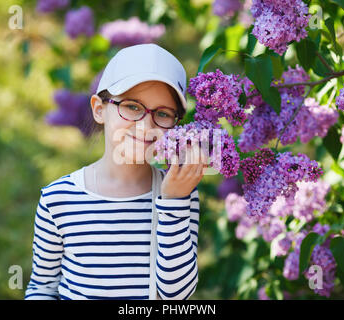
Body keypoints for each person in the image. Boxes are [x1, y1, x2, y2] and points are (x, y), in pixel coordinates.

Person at [24, 43, 208, 300]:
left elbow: (175, 296)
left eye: (163, 114)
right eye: (132, 107)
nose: (145, 126)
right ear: (99, 109)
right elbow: (42, 288)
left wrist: (174, 201)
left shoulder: (179, 193)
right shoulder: (58, 199)